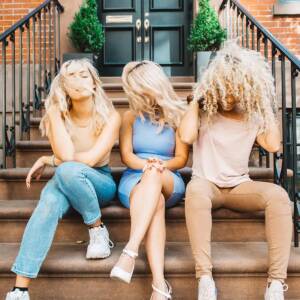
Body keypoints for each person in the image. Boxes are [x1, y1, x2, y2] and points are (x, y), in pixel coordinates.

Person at [179, 42, 292, 300]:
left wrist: (265, 106)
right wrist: (197, 101)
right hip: (206, 184)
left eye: (235, 92)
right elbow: (186, 136)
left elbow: (272, 144)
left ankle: (275, 283)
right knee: (194, 191)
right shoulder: (204, 109)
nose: (228, 99)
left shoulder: (252, 114)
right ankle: (204, 278)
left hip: (239, 187)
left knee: (278, 196)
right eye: (224, 91)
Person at [6, 59, 121, 300]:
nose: (78, 81)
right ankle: (20, 290)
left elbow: (88, 160)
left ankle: (97, 228)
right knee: (47, 203)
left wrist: (49, 160)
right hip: (65, 176)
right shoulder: (57, 114)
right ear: (63, 86)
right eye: (70, 77)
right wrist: (55, 112)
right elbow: (68, 157)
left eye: (83, 75)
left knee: (65, 171)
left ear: (94, 83)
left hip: (100, 181)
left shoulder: (111, 116)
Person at [110, 61, 189, 300]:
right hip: (134, 178)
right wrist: (146, 166)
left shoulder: (178, 115)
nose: (138, 94)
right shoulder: (129, 116)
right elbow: (126, 156)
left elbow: (182, 158)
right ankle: (159, 286)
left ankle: (130, 251)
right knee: (156, 204)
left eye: (141, 88)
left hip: (169, 176)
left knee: (154, 176)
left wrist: (160, 165)